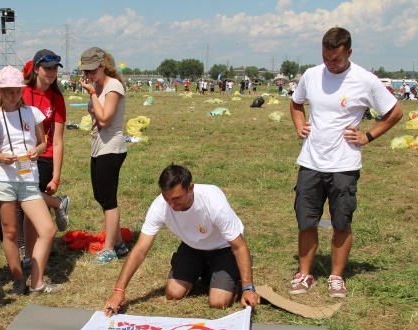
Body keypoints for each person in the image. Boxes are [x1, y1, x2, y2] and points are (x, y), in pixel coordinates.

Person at [289, 27, 403, 298]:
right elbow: (296, 103)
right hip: (311, 162)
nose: (330, 64)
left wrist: (368, 136)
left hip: (344, 165)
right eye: (326, 58)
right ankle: (304, 274)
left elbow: (396, 111)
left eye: (336, 59)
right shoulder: (311, 75)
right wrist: (299, 125)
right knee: (306, 221)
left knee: (341, 222)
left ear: (349, 52)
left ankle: (336, 277)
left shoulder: (365, 80)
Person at [103, 165, 260, 316]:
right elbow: (140, 249)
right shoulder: (160, 205)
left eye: (177, 198)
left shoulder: (213, 203)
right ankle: (206, 269)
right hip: (193, 246)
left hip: (224, 247)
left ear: (190, 188)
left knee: (219, 302)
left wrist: (248, 287)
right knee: (173, 293)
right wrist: (119, 290)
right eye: (167, 198)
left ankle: (232, 273)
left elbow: (239, 247)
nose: (171, 204)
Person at [0, 66, 62, 295]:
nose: (13, 96)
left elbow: (43, 142)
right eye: (8, 92)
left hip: (29, 179)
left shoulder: (32, 113)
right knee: (9, 232)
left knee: (47, 229)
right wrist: (1, 157)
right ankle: (19, 279)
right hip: (4, 180)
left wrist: (37, 151)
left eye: (17, 91)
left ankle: (37, 283)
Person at [21, 49, 70, 268]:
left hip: (44, 158)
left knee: (32, 205)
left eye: (54, 69)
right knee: (25, 206)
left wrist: (56, 177)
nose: (51, 73)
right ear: (36, 69)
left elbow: (58, 140)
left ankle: (33, 257)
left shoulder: (57, 98)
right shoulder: (21, 92)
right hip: (21, 157)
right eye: (47, 68)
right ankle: (58, 204)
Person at [79, 47, 128, 264]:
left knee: (108, 199)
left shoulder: (113, 86)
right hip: (99, 146)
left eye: (93, 70)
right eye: (86, 71)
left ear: (103, 66)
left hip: (112, 147)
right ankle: (118, 243)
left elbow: (105, 119)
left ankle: (109, 249)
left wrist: (92, 94)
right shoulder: (98, 87)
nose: (89, 75)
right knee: (101, 196)